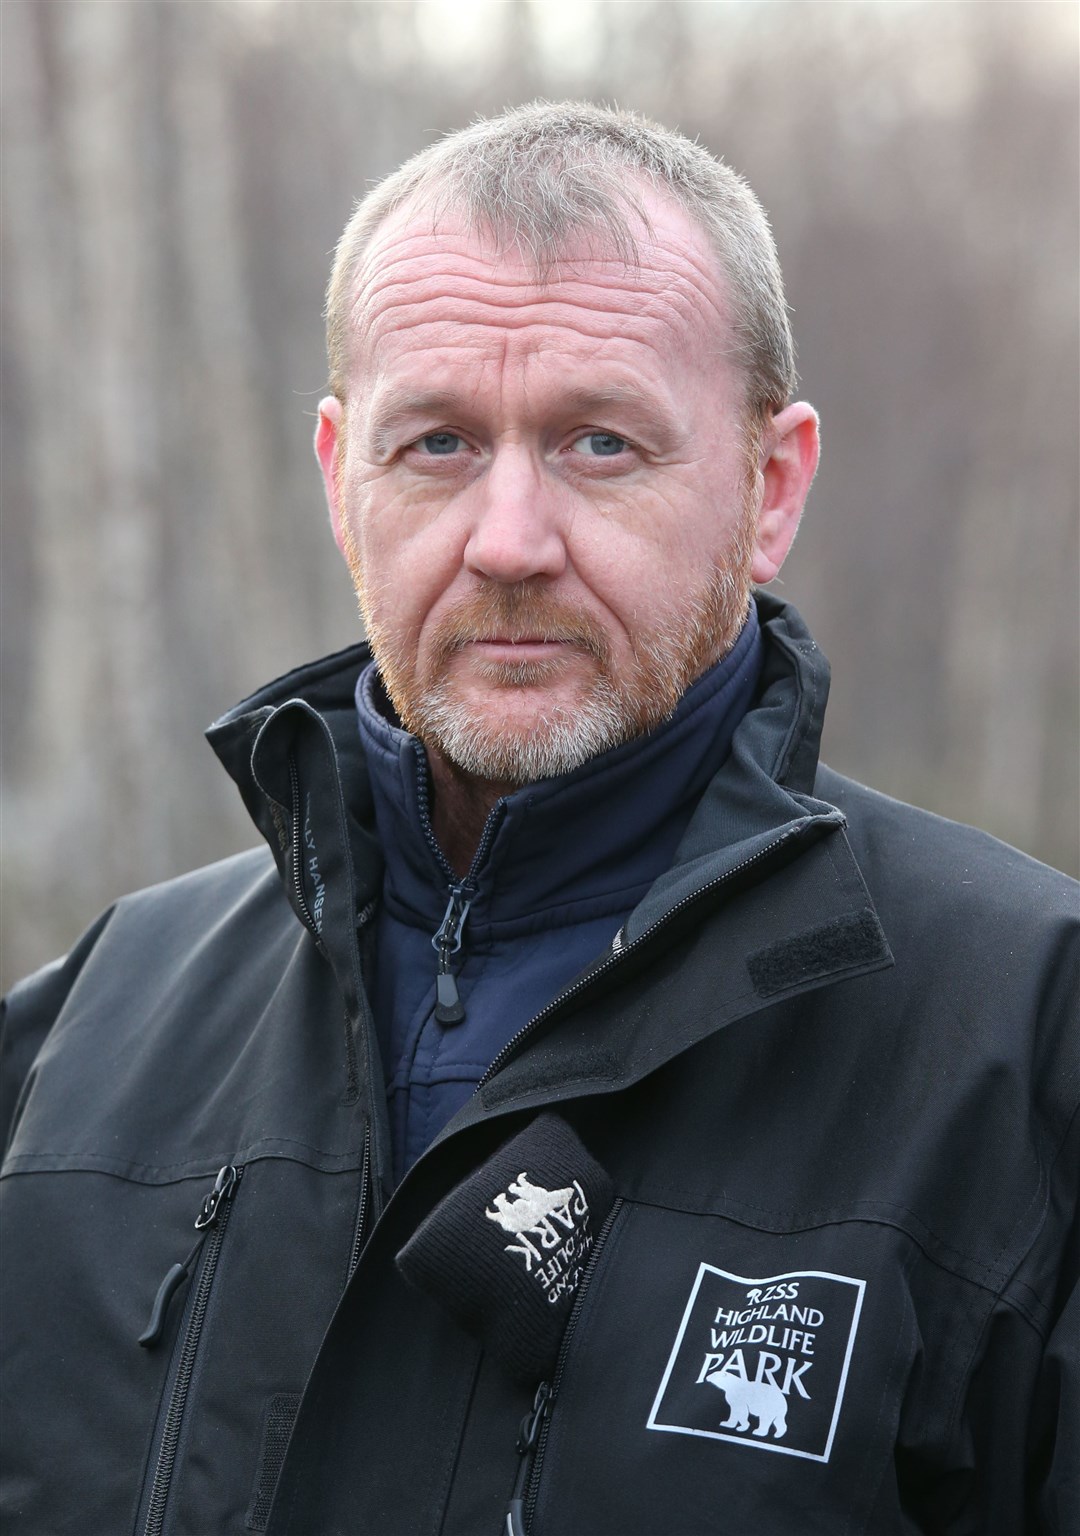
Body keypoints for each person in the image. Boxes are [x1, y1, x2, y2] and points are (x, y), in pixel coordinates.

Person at [0, 102, 1075, 1536]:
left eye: (600, 444)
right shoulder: (85, 1043)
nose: (508, 540)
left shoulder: (1024, 1036)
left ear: (772, 486)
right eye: (437, 443)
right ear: (339, 480)